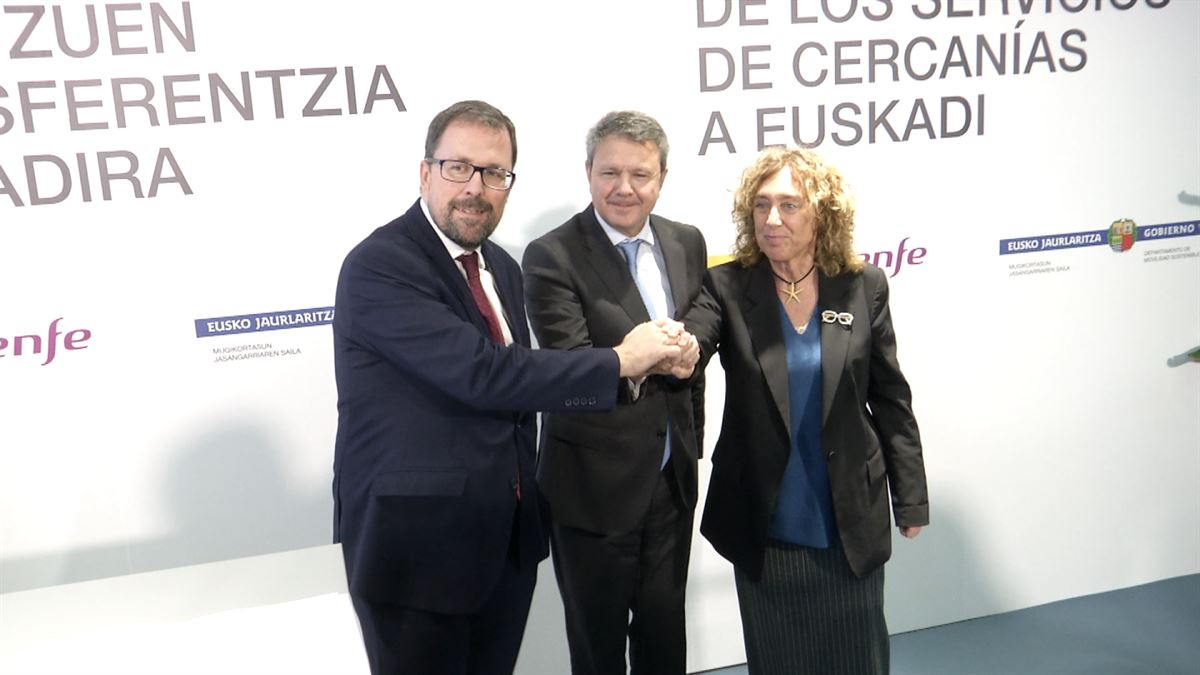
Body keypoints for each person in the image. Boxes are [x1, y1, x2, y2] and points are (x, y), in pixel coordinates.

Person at [331, 100, 698, 675]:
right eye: (459, 168)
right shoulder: (381, 265)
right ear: (424, 172)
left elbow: (525, 392)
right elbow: (484, 375)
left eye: (495, 173)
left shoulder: (500, 265)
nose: (476, 188)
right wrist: (621, 361)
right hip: (419, 551)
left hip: (502, 542)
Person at [687, 146, 929, 674]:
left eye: (790, 205)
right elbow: (694, 343)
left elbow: (889, 397)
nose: (772, 219)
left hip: (846, 515)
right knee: (779, 662)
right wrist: (673, 349)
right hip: (764, 517)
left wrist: (909, 497)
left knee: (857, 659)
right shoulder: (727, 286)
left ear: (823, 212)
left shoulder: (863, 285)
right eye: (761, 205)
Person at [521, 111, 709, 675]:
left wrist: (690, 351)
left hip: (671, 481)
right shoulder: (551, 256)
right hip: (591, 491)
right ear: (587, 173)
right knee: (597, 649)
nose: (624, 188)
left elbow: (700, 320)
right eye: (610, 173)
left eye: (640, 175)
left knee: (664, 640)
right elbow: (569, 369)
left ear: (663, 177)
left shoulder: (686, 241)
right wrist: (638, 357)